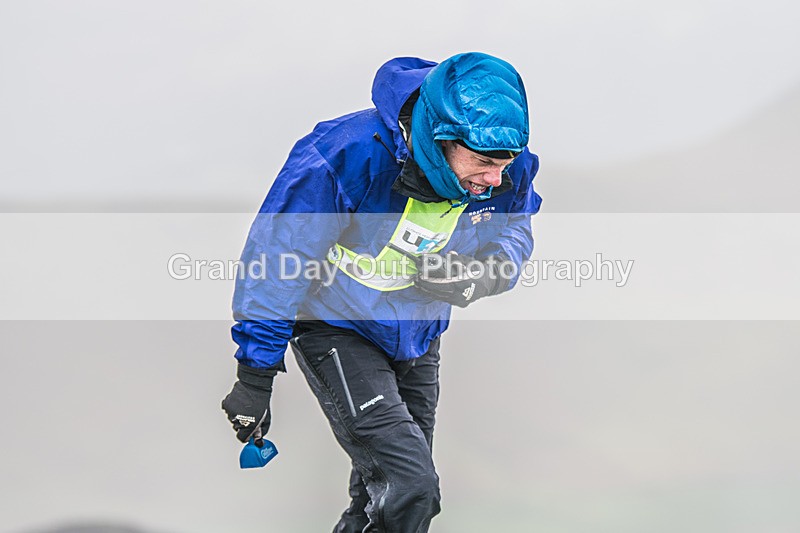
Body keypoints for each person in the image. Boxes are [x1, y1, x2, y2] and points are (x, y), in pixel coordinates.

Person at [221, 52, 542, 532]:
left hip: (419, 332)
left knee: (381, 499)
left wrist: (481, 273)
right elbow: (276, 260)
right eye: (482, 163)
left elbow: (514, 230)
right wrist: (255, 375)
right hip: (336, 327)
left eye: (505, 164)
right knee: (411, 486)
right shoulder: (342, 154)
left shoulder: (503, 165)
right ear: (440, 140)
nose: (495, 179)